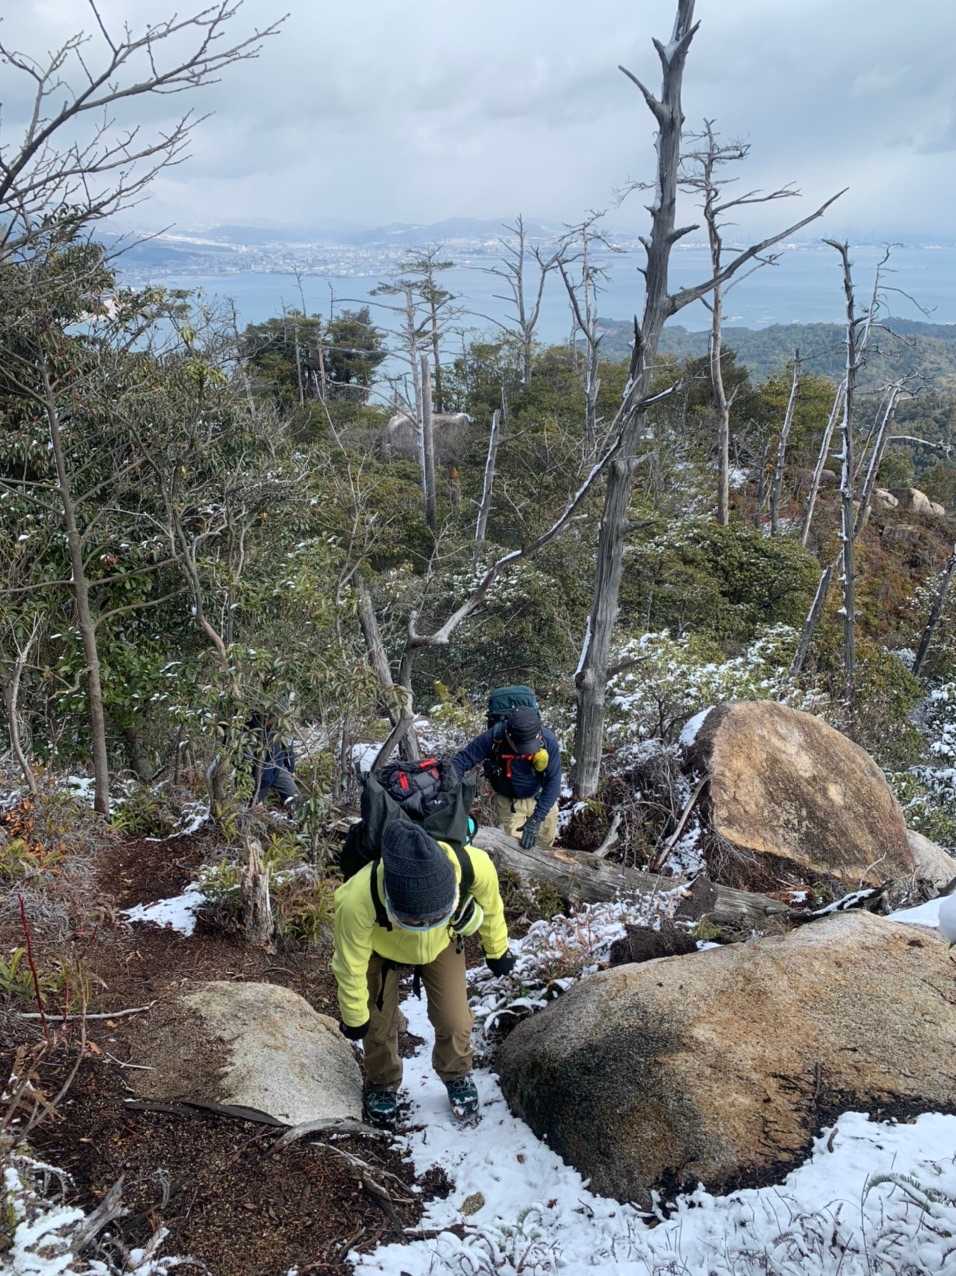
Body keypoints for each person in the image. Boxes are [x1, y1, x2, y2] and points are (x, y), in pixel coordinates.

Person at [331, 820, 515, 1127]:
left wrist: (497, 950)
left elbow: (493, 907)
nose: (423, 926)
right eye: (415, 922)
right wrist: (354, 1017)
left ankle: (456, 1073)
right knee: (376, 1024)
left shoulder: (472, 864)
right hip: (381, 949)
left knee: (455, 1020)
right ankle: (382, 1082)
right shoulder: (357, 899)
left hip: (443, 942)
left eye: (436, 916)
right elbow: (350, 965)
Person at [452, 705, 561, 849]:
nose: (527, 752)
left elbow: (554, 781)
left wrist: (537, 818)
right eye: (523, 747)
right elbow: (462, 760)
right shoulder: (495, 737)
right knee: (516, 851)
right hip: (510, 802)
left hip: (541, 796)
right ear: (509, 736)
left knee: (547, 845)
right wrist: (447, 791)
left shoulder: (548, 740)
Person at [245, 711, 298, 811]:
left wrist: (290, 770)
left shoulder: (283, 729)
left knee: (295, 798)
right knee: (252, 808)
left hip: (278, 769)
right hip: (258, 775)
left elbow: (289, 751)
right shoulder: (253, 729)